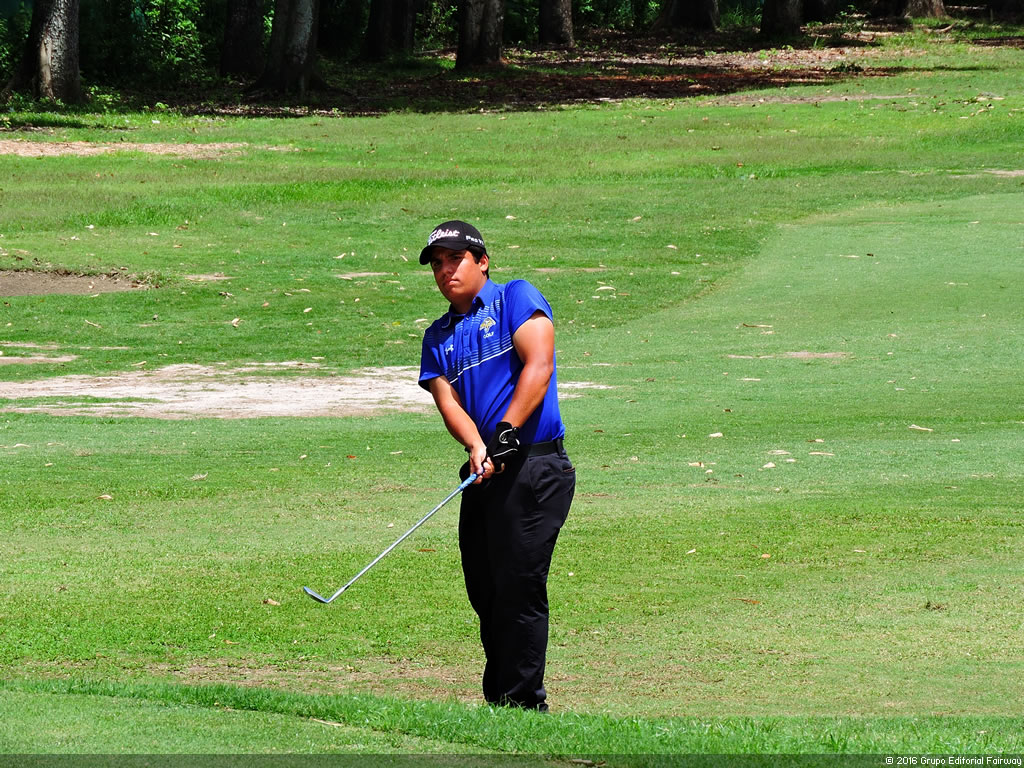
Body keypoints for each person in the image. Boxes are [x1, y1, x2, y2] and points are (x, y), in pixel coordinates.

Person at [417, 220, 575, 713]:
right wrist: (475, 444)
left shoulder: (516, 298)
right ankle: (501, 701)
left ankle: (524, 704)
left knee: (518, 587)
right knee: (485, 589)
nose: (445, 271)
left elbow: (539, 364)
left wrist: (506, 430)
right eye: (437, 264)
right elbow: (448, 401)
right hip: (484, 470)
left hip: (535, 467)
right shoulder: (437, 336)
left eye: (455, 259)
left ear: (482, 261)